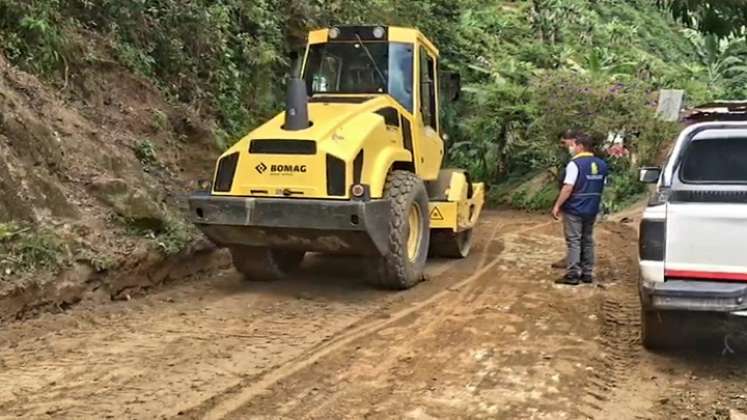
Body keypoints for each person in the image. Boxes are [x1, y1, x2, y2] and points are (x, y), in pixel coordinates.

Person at [551, 130, 608, 286]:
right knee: (588, 239)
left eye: (573, 145)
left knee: (574, 240)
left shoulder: (574, 164)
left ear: (580, 146)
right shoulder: (602, 164)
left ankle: (573, 274)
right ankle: (587, 273)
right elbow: (602, 186)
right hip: (592, 207)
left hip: (575, 208)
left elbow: (568, 187)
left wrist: (557, 205)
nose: (571, 148)